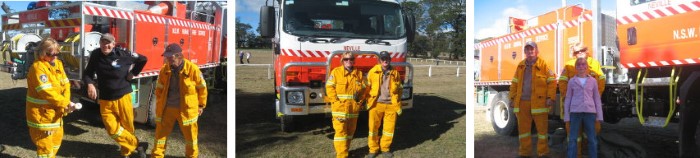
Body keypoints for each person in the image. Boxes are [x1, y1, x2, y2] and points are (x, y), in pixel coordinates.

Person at [83, 33, 148, 158]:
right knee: (112, 129)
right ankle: (139, 145)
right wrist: (90, 84)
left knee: (127, 126)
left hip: (123, 96)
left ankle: (125, 153)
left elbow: (143, 59)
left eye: (108, 43)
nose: (105, 45)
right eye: (103, 42)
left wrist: (133, 72)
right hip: (105, 99)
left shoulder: (123, 54)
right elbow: (87, 73)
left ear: (113, 44)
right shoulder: (96, 55)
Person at [151, 44, 208, 158]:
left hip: (187, 110)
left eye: (169, 56)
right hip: (167, 108)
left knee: (191, 138)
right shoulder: (164, 69)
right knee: (160, 136)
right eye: (166, 56)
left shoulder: (193, 69)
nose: (167, 59)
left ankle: (191, 156)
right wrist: (160, 102)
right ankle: (157, 155)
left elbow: (202, 88)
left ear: (178, 56)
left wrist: (201, 105)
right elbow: (159, 89)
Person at [26, 37, 79, 158]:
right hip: (42, 116)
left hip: (56, 114)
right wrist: (65, 103)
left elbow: (66, 84)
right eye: (51, 54)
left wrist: (66, 102)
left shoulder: (58, 64)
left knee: (55, 144)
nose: (54, 57)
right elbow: (46, 91)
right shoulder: (37, 67)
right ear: (42, 52)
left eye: (57, 53)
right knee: (46, 149)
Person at [508, 41, 557, 158]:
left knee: (542, 131)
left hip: (539, 103)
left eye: (532, 49)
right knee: (523, 131)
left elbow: (552, 82)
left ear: (537, 51)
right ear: (525, 52)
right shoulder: (520, 65)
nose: (530, 52)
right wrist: (511, 98)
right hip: (522, 102)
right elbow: (514, 83)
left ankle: (543, 152)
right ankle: (525, 153)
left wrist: (551, 97)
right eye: (527, 50)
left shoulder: (544, 64)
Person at [558, 42, 605, 157]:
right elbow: (563, 82)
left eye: (582, 50)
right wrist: (567, 96)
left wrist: (595, 95)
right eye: (577, 52)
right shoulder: (569, 65)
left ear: (587, 50)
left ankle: (585, 150)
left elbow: (601, 80)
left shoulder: (595, 64)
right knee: (573, 136)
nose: (580, 53)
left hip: (590, 109)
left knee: (593, 132)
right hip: (574, 109)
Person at [326, 52, 367, 158]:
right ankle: (342, 155)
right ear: (342, 61)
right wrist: (335, 102)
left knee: (350, 132)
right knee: (341, 133)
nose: (349, 61)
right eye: (346, 59)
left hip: (353, 109)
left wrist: (359, 102)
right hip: (340, 109)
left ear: (354, 60)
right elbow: (329, 88)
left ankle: (346, 151)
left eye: (351, 59)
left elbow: (363, 90)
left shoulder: (359, 74)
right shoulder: (336, 72)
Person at [364, 51, 402, 158]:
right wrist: (366, 101)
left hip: (391, 105)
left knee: (389, 129)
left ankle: (385, 148)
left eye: (387, 59)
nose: (385, 61)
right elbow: (366, 88)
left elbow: (399, 89)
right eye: (383, 59)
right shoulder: (373, 71)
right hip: (376, 104)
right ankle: (373, 150)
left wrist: (397, 101)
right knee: (373, 129)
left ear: (390, 60)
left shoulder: (395, 73)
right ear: (380, 60)